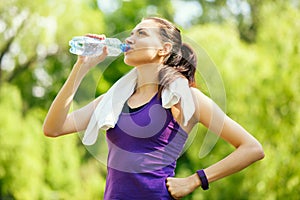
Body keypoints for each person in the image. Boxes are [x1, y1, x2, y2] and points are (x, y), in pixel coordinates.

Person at [43, 17, 264, 199]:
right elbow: (53, 128)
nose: (130, 38)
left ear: (164, 49)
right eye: (132, 33)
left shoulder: (185, 99)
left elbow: (251, 148)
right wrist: (81, 67)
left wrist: (195, 180)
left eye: (141, 34)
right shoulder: (113, 101)